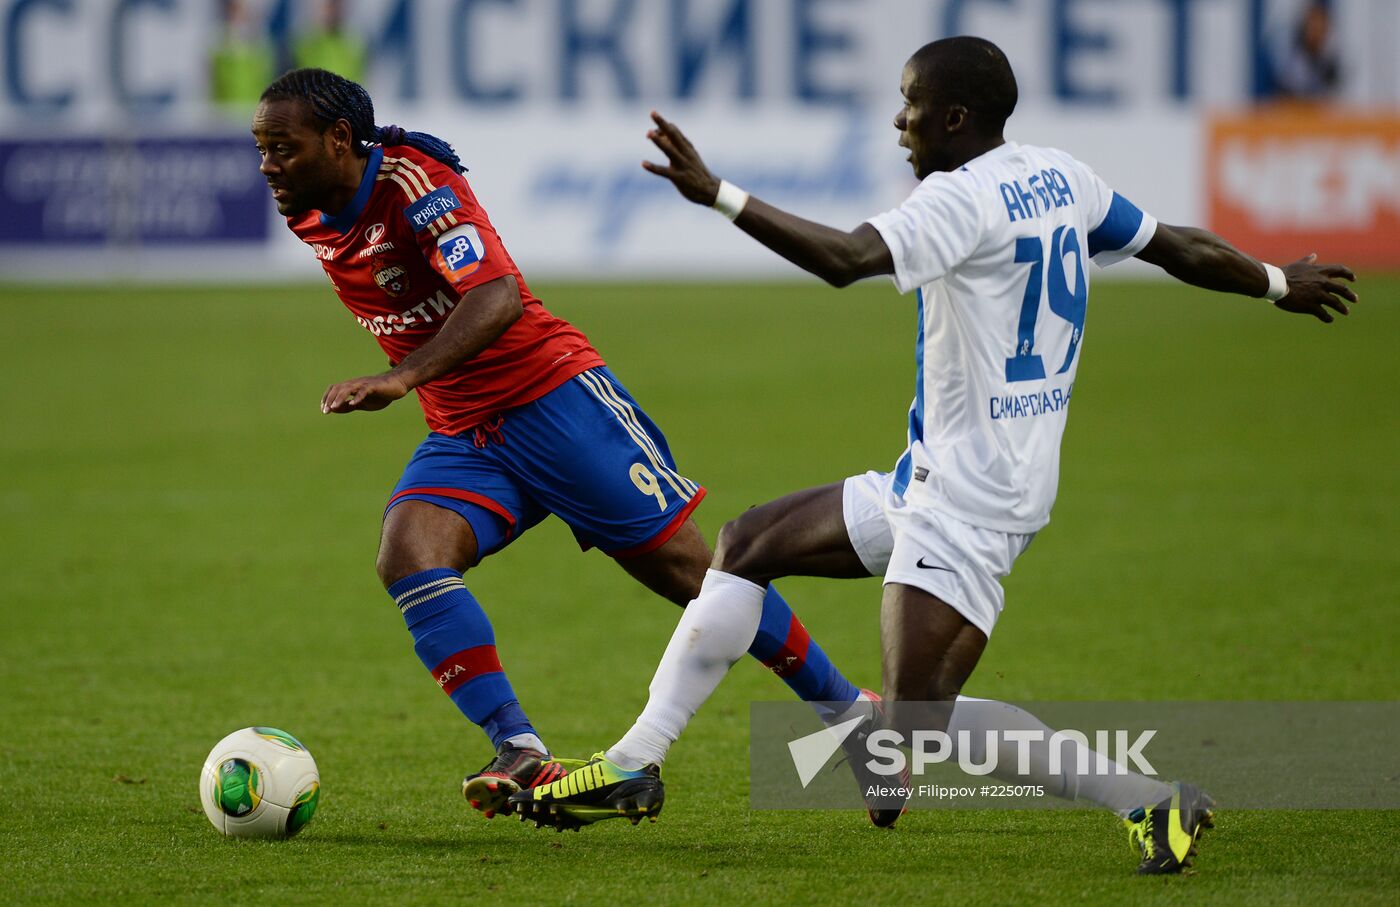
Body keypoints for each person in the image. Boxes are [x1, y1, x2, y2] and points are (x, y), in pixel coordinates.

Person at [509, 36, 1357, 874]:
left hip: (973, 499)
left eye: (910, 105)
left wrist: (720, 195)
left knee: (915, 728)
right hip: (936, 474)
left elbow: (845, 260)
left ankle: (1148, 799)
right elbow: (1179, 244)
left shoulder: (960, 201)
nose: (897, 121)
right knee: (745, 544)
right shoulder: (1061, 176)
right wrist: (1279, 284)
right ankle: (635, 758)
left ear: (954, 118)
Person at [249, 67, 868, 821]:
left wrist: (403, 376)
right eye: (262, 149)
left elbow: (497, 296)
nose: (268, 166)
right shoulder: (310, 210)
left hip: (555, 403)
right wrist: (425, 384)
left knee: (701, 578)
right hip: (467, 430)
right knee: (408, 553)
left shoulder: (416, 182)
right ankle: (520, 747)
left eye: (282, 147)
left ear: (340, 139)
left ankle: (852, 716)